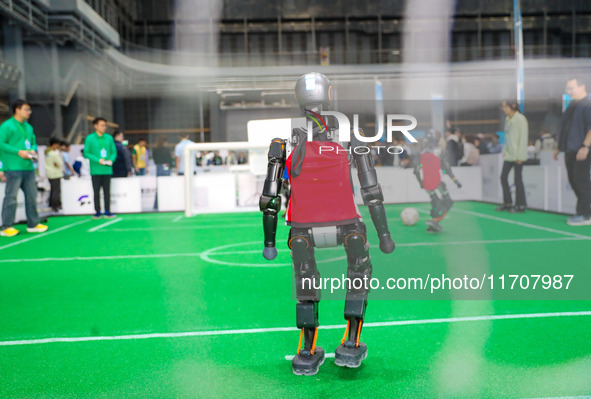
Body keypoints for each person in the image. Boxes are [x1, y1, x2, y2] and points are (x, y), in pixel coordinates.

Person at [260, 72, 395, 375]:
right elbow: (371, 190)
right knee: (359, 267)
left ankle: (306, 352)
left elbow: (270, 197)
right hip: (348, 226)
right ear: (330, 95)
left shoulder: (282, 143)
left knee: (305, 277)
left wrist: (269, 243)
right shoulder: (351, 137)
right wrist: (384, 234)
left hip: (301, 230)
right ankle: (350, 343)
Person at [0, 99, 48, 237]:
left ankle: (33, 224)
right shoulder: (7, 126)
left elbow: (32, 142)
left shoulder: (28, 127)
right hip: (13, 167)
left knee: (31, 196)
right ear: (17, 109)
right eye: (26, 109)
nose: (29, 112)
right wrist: (18, 152)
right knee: (11, 197)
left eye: (29, 110)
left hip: (28, 167)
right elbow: (1, 143)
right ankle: (6, 226)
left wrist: (32, 150)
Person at [554, 77, 591, 225]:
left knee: (581, 181)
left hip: (581, 149)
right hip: (569, 149)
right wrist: (558, 147)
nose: (569, 92)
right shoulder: (572, 105)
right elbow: (566, 127)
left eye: (571, 88)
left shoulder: (588, 103)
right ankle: (586, 210)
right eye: (567, 89)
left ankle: (585, 214)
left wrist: (585, 146)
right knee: (573, 180)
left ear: (582, 86)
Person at [496, 100, 529, 213]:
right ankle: (508, 202)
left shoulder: (520, 119)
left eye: (505, 106)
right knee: (503, 177)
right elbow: (507, 136)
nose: (504, 109)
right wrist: (505, 150)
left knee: (518, 179)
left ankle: (521, 205)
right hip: (509, 154)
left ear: (513, 106)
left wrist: (520, 155)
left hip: (518, 155)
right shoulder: (507, 119)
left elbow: (523, 138)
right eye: (503, 107)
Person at [84, 117, 117, 219]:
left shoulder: (109, 138)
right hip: (96, 170)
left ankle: (107, 210)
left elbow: (114, 151)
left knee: (107, 192)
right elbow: (86, 153)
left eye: (105, 125)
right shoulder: (89, 138)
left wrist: (111, 160)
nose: (104, 127)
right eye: (102, 125)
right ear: (95, 126)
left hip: (107, 170)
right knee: (96, 192)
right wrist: (98, 160)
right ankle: (97, 211)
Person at [44, 137, 64, 212]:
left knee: (53, 190)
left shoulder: (47, 153)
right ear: (54, 144)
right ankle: (56, 206)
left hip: (49, 173)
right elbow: (60, 163)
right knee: (56, 191)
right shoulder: (53, 153)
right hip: (55, 174)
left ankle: (51, 204)